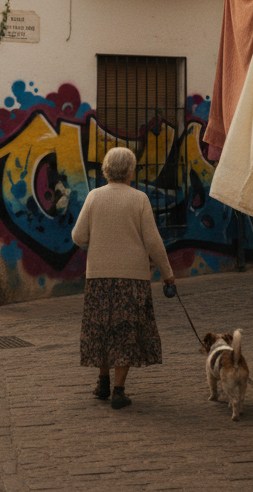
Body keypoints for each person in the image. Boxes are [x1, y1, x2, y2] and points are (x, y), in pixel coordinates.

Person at [72, 146, 175, 410]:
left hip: (98, 278)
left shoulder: (94, 197)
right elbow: (153, 241)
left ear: (106, 169)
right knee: (125, 332)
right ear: (130, 170)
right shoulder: (139, 199)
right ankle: (118, 391)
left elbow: (78, 236)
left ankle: (102, 383)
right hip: (132, 279)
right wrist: (167, 275)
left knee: (102, 330)